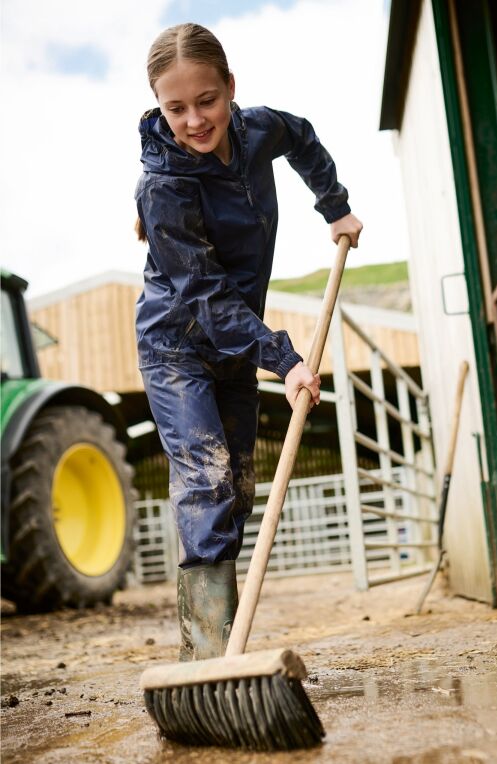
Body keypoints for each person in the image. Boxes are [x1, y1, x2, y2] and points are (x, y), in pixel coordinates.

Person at [134, 22, 363, 661]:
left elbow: (304, 137)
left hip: (235, 340)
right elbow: (204, 297)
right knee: (206, 482)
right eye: (175, 108)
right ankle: (208, 661)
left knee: (235, 488)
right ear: (159, 107)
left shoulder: (258, 128)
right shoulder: (164, 188)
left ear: (231, 89)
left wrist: (334, 205)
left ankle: (221, 653)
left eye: (206, 100)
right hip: (177, 345)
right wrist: (285, 359)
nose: (194, 120)